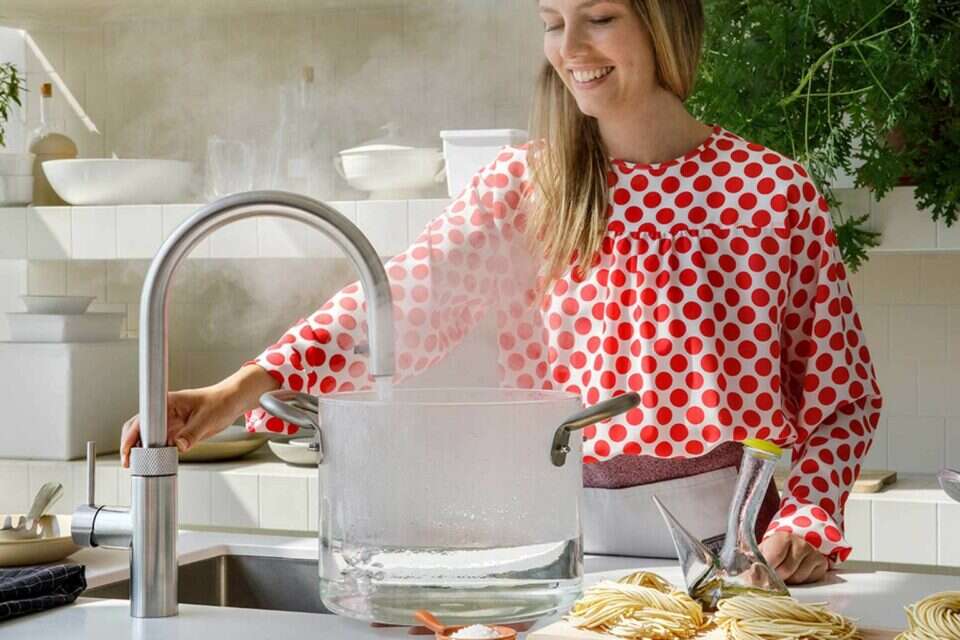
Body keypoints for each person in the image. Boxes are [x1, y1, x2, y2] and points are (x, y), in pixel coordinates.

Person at [120, 0, 882, 586]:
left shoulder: (769, 193)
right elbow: (400, 302)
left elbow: (842, 398)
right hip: (558, 548)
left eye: (599, 18)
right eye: (552, 23)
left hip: (738, 555)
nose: (570, 49)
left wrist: (810, 516)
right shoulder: (527, 188)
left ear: (665, 24)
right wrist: (241, 387)